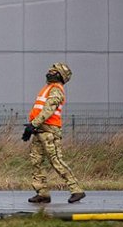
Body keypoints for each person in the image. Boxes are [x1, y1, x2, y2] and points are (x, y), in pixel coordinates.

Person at [22, 62, 86, 204]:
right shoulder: (48, 88)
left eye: (53, 71)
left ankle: (76, 190)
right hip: (39, 130)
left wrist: (33, 124)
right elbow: (40, 110)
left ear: (60, 76)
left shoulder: (56, 90)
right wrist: (32, 127)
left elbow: (48, 110)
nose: (49, 73)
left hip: (50, 131)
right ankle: (42, 193)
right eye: (50, 70)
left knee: (56, 160)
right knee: (36, 161)